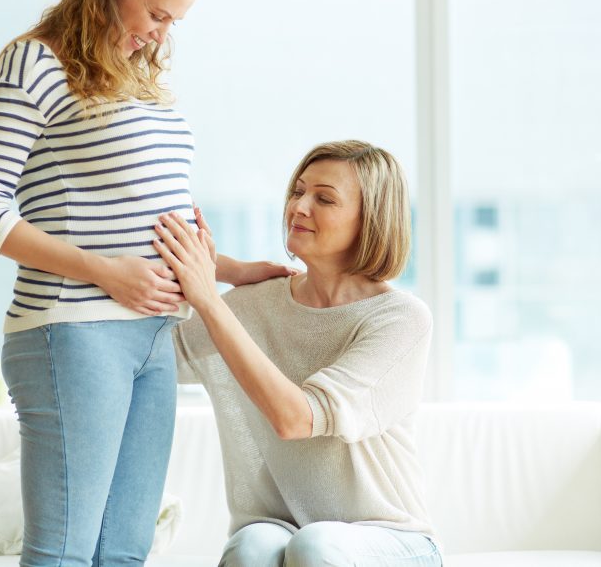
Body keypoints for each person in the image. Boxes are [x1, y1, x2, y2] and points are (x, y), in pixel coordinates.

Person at [0, 0, 290, 566]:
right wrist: (104, 271)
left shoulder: (136, 76)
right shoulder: (34, 63)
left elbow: (136, 218)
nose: (161, 34)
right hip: (74, 330)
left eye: (174, 23)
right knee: (65, 551)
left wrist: (228, 269)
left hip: (153, 335)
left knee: (125, 552)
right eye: (157, 13)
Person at [153, 140, 443, 567]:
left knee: (316, 546)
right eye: (298, 191)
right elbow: (147, 356)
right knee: (251, 548)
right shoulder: (252, 304)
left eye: (324, 198)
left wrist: (210, 300)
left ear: (371, 220)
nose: (299, 206)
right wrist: (218, 270)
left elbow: (297, 418)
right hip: (282, 530)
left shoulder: (399, 319)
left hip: (392, 540)